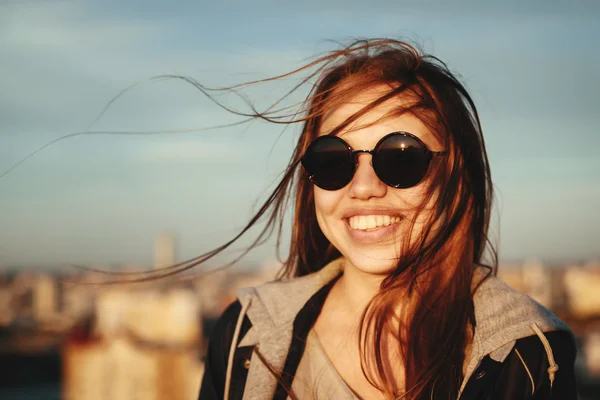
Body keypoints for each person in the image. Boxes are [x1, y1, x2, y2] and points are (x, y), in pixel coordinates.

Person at [197, 39, 577, 399]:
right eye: (333, 160)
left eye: (401, 158)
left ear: (457, 178)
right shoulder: (245, 334)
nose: (363, 187)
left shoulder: (526, 354)